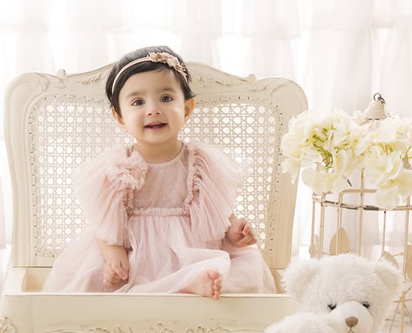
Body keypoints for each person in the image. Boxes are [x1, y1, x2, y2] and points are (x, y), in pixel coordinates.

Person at [41, 46, 276, 297]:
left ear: (186, 109)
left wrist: (234, 233)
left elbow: (218, 213)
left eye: (166, 98)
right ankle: (184, 287)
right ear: (120, 118)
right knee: (92, 280)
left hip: (191, 254)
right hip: (135, 258)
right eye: (138, 102)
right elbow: (105, 225)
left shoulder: (200, 163)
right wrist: (113, 256)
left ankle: (190, 283)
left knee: (244, 269)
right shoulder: (119, 166)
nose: (153, 109)